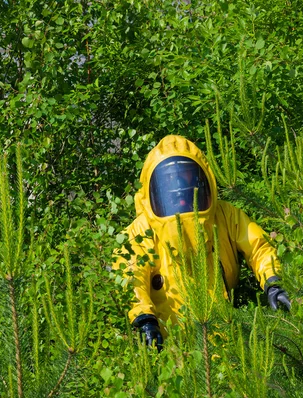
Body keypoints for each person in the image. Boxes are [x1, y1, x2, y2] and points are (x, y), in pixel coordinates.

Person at [115, 135, 290, 349]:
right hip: (169, 349)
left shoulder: (225, 216)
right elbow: (130, 275)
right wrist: (144, 320)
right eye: (170, 180)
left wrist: (273, 282)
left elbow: (258, 247)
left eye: (185, 176)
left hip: (225, 339)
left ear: (202, 178)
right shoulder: (141, 232)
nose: (178, 185)